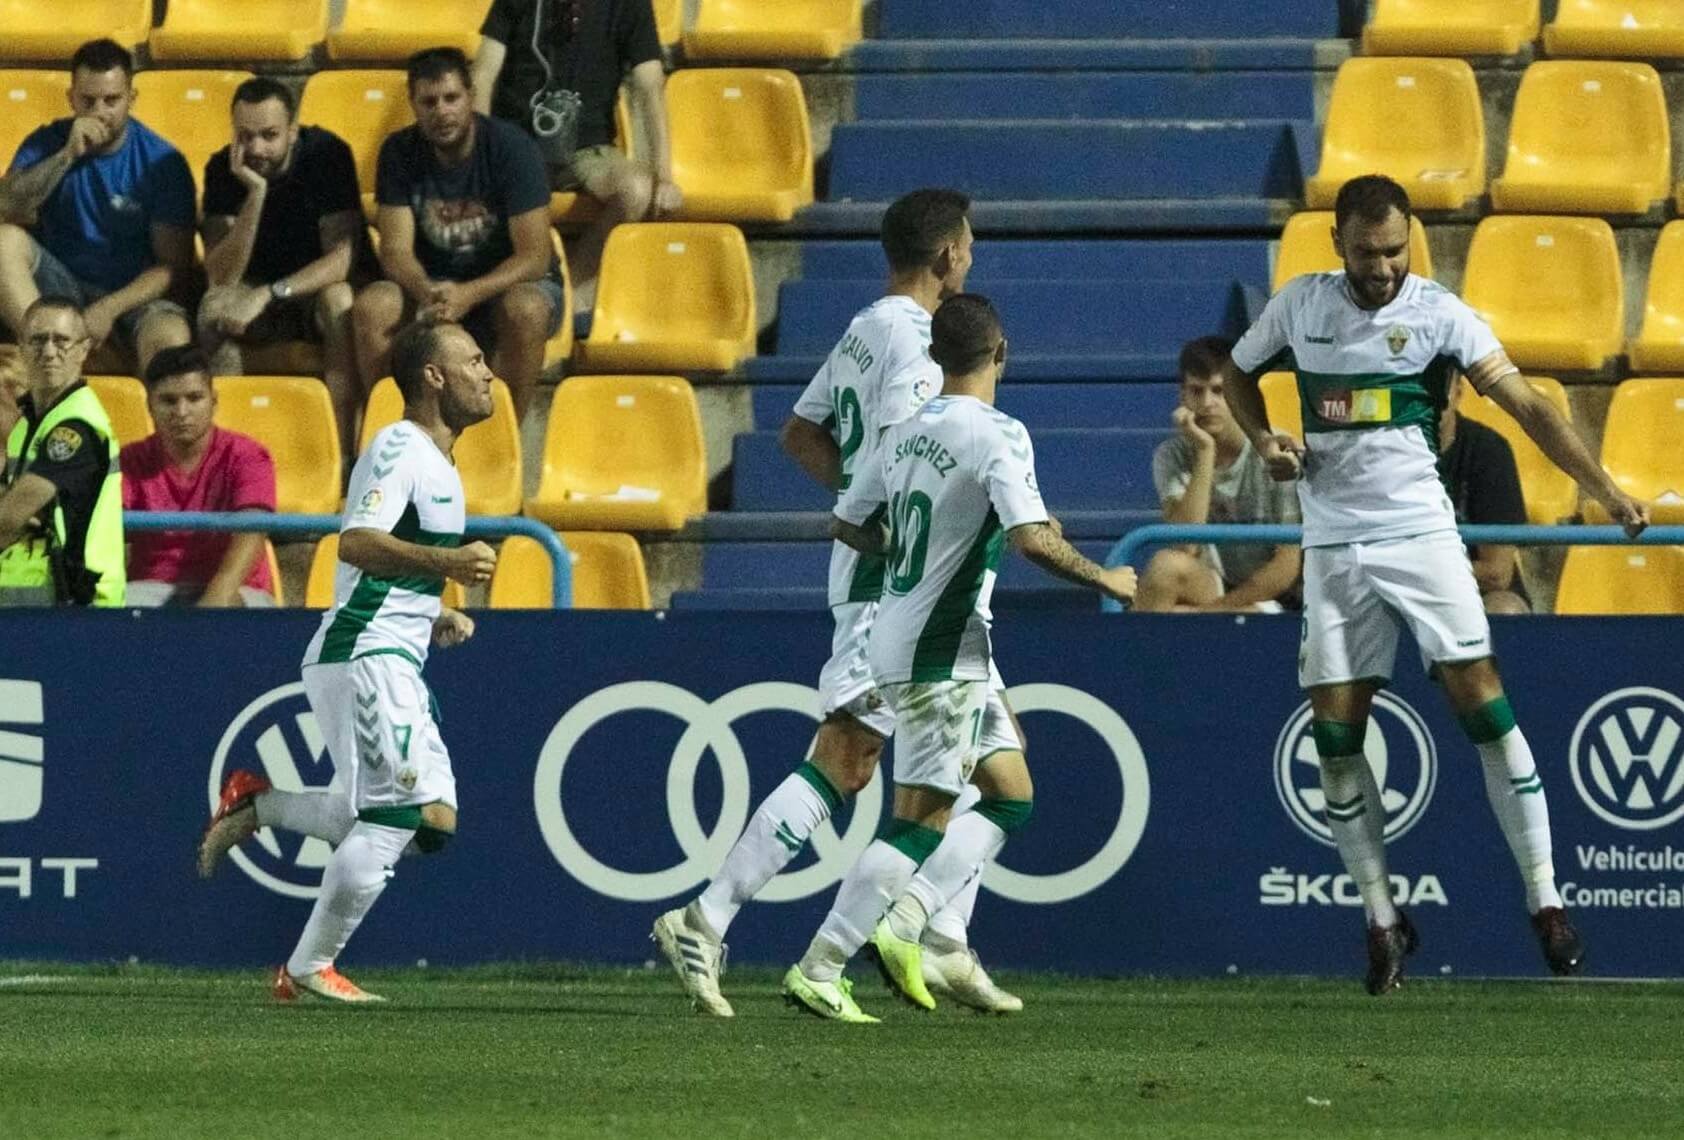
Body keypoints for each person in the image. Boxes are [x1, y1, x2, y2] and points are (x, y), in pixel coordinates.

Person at [1220, 174, 1648, 995]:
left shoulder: (1440, 314)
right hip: (1335, 545)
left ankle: (1546, 899)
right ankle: (1382, 919)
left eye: (1394, 250)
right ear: (1337, 243)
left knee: (1482, 704)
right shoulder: (1300, 306)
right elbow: (1240, 373)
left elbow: (1528, 405)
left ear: (1408, 241)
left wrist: (1603, 486)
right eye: (1366, 251)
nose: (1381, 267)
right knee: (1336, 740)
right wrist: (1264, 436)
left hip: (1420, 534)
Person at [652, 190, 1013, 1018]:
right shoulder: (917, 340)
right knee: (848, 760)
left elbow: (802, 435)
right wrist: (896, 536)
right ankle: (707, 918)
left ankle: (944, 933)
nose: (972, 258)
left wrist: (858, 509)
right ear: (949, 256)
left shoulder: (865, 326)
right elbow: (901, 452)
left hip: (911, 590)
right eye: (970, 245)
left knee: (1001, 776)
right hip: (898, 590)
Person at [781, 294, 1137, 1022]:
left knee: (1011, 790)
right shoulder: (999, 434)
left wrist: (920, 555)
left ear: (937, 357)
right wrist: (1105, 577)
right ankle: (822, 963)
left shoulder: (904, 432)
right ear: (1001, 352)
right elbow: (1036, 538)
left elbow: (848, 523)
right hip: (941, 654)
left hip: (908, 638)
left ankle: (911, 920)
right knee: (922, 820)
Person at [195, 321, 500, 1003]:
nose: (489, 374)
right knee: (396, 814)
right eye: (473, 360)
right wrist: (448, 564)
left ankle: (261, 803)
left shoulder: (438, 461)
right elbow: (358, 541)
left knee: (434, 821)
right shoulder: (397, 447)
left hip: (392, 649)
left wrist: (430, 610)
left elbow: (388, 561)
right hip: (365, 655)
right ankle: (309, 965)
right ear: (434, 377)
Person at [354, 48, 563, 422]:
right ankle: (392, 429)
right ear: (414, 105)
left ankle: (505, 432)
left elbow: (534, 256)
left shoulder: (512, 148)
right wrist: (429, 293)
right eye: (429, 101)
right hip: (432, 287)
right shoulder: (399, 152)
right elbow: (396, 251)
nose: (442, 111)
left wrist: (468, 294)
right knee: (374, 305)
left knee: (527, 310)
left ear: (471, 96)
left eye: (451, 98)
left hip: (505, 285)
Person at [198, 77, 371, 458]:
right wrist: (255, 194)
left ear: (292, 131)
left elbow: (341, 260)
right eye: (245, 136)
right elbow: (223, 275)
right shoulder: (222, 168)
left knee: (339, 300)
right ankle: (226, 454)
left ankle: (342, 454)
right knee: (214, 310)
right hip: (255, 290)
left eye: (269, 135)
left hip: (308, 291)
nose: (256, 147)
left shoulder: (326, 155)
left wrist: (269, 293)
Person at [0, 39, 193, 374]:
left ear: (131, 99)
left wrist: (108, 308)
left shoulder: (163, 162)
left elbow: (171, 266)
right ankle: (49, 359)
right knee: (3, 240)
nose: (99, 111)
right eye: (88, 100)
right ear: (71, 98)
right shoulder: (47, 142)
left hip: (131, 296)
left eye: (112, 100)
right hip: (60, 286)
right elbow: (8, 205)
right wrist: (66, 156)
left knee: (171, 337)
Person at [471, 0, 678, 309]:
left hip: (588, 149)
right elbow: (482, 74)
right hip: (519, 146)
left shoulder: (630, 5)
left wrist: (664, 177)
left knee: (636, 190)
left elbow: (649, 86)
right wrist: (480, 157)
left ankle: (572, 288)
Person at [1135, 335, 1302, 613]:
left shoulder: (1277, 452)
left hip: (1278, 596)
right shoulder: (1172, 454)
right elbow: (1186, 545)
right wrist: (1204, 451)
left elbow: (1287, 566)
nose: (1207, 403)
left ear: (1239, 394)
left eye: (1219, 391)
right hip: (1213, 584)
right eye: (1197, 391)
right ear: (1183, 396)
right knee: (1165, 567)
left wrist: (1210, 612)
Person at [121, 345, 278, 608]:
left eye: (194, 398)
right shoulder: (129, 459)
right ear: (150, 405)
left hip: (237, 590)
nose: (181, 412)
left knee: (230, 608)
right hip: (148, 591)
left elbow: (253, 529)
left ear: (213, 401)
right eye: (169, 401)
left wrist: (218, 596)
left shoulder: (248, 455)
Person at [0, 296, 125, 606]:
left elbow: (10, 517)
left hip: (82, 603)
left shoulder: (78, 425)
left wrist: (16, 511)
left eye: (62, 341)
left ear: (83, 350)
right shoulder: (25, 424)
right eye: (38, 340)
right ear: (22, 347)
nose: (49, 352)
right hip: (33, 595)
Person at [1439, 373, 1530, 614]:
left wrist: (1417, 568)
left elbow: (1496, 573)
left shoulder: (1488, 450)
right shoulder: (1379, 450)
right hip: (1400, 587)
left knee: (1505, 608)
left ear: (1458, 393)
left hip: (1472, 591)